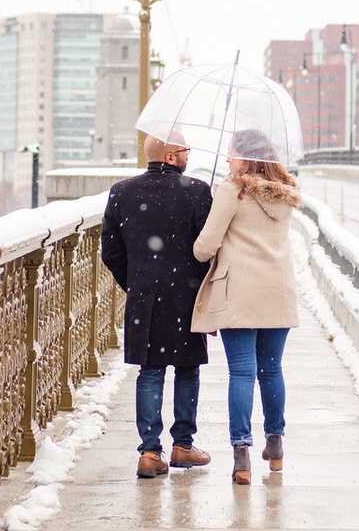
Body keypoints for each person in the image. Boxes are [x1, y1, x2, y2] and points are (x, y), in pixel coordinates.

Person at [100, 129, 214, 479]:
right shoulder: (196, 191)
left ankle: (150, 452)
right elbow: (209, 249)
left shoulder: (121, 192)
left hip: (144, 299)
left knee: (149, 372)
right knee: (187, 368)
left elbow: (111, 252)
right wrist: (200, 285)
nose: (188, 156)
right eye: (184, 150)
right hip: (187, 295)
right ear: (169, 157)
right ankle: (183, 444)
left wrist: (136, 284)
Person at [191, 127, 301, 485]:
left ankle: (241, 452)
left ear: (247, 156)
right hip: (278, 290)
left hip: (239, 291)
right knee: (272, 369)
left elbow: (205, 246)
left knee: (241, 371)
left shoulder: (231, 190)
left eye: (232, 153)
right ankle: (275, 443)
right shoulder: (286, 193)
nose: (227, 159)